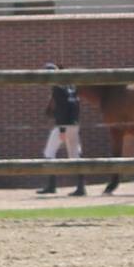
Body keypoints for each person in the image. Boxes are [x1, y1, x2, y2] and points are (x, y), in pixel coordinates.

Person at [36, 62, 86, 197]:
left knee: (49, 152)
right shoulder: (71, 85)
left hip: (63, 125)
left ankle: (51, 186)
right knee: (76, 155)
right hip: (74, 123)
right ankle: (81, 188)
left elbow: (61, 109)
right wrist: (75, 123)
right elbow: (75, 105)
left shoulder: (57, 88)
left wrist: (62, 129)